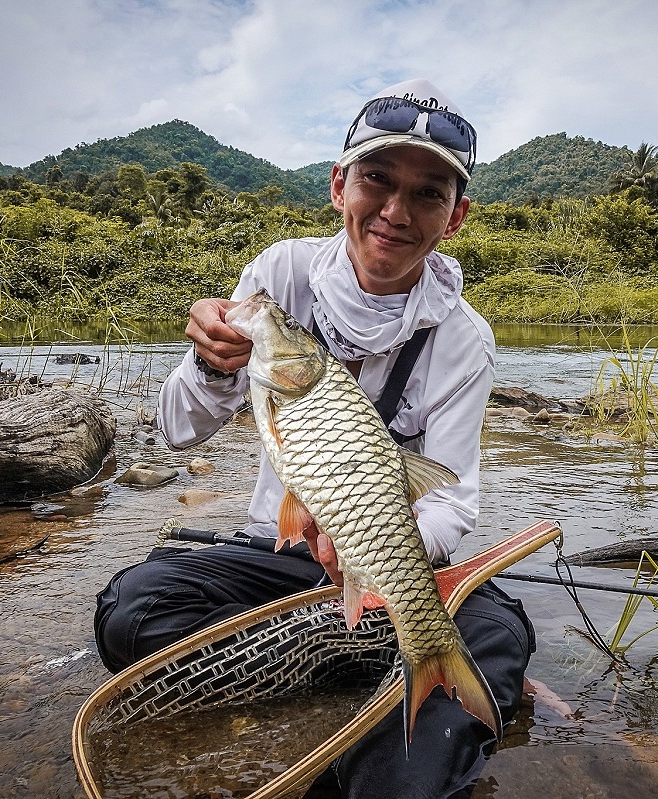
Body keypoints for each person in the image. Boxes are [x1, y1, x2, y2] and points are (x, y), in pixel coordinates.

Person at [94, 78, 534, 799]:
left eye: (428, 194)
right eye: (378, 179)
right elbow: (177, 429)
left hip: (392, 577)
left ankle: (377, 713)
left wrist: (373, 553)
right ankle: (349, 664)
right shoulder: (280, 276)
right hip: (277, 555)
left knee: (492, 642)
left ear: (454, 217)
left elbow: (451, 505)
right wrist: (210, 362)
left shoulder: (465, 338)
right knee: (131, 612)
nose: (395, 211)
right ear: (340, 185)